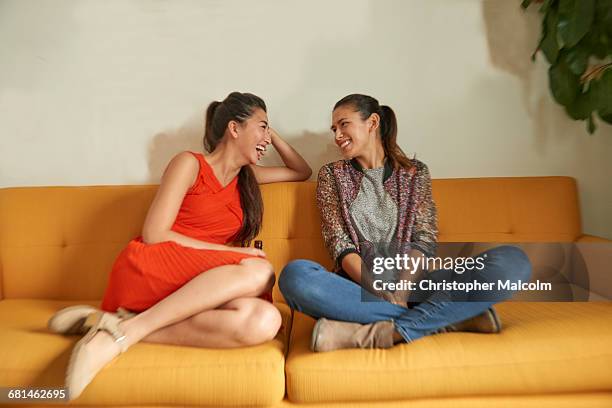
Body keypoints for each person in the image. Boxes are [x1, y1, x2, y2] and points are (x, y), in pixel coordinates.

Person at [47, 92, 312, 399]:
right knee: (260, 272)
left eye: (268, 129)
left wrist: (268, 130)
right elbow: (154, 234)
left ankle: (121, 327)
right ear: (233, 128)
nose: (266, 137)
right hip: (154, 265)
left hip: (198, 284)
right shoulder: (189, 164)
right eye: (261, 127)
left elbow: (301, 171)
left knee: (265, 321)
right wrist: (234, 253)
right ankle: (124, 334)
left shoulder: (248, 179)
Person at [278, 93, 532, 352]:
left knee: (514, 262)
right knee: (295, 277)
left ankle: (377, 334)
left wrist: (401, 291)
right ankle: (447, 320)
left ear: (372, 122)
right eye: (334, 129)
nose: (337, 135)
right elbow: (339, 244)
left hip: (416, 288)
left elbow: (424, 238)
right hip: (358, 291)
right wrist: (380, 290)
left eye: (344, 124)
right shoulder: (331, 175)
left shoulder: (414, 172)